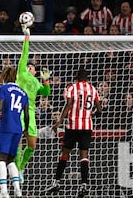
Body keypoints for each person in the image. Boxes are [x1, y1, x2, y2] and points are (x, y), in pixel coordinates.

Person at [45, 68, 102, 198]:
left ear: (76, 78)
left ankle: (56, 183)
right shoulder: (93, 89)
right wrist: (92, 113)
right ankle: (84, 185)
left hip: (72, 126)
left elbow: (68, 104)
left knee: (64, 154)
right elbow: (99, 109)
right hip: (86, 127)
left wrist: (59, 122)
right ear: (87, 79)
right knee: (84, 156)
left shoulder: (72, 87)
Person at [14, 25, 51, 183]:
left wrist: (46, 81)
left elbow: (46, 93)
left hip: (31, 112)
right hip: (18, 110)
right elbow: (25, 53)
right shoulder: (21, 73)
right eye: (28, 66)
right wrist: (27, 37)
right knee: (18, 142)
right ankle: (16, 169)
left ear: (35, 71)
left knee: (32, 145)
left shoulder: (36, 83)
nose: (29, 67)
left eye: (32, 67)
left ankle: (21, 166)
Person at [0, 66, 30, 198]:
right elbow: (26, 115)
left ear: (4, 77)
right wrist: (25, 129)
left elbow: (0, 107)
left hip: (6, 127)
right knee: (11, 160)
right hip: (18, 128)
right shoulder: (23, 92)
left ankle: (4, 192)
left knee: (0, 158)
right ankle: (18, 191)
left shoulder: (3, 89)